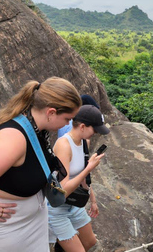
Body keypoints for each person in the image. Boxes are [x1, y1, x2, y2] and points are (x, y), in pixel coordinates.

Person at [0, 77, 103, 252]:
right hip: (8, 230)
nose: (69, 124)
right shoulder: (13, 139)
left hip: (31, 225)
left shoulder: (37, 129)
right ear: (51, 112)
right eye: (67, 118)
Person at [49, 104, 110, 252]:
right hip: (57, 208)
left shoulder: (83, 142)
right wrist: (89, 167)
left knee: (89, 242)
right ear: (82, 126)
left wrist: (93, 200)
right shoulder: (64, 145)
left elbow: (82, 177)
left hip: (73, 204)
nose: (95, 133)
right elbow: (64, 188)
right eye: (94, 129)